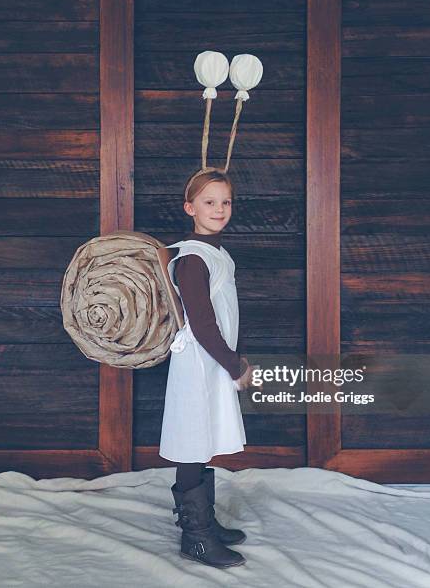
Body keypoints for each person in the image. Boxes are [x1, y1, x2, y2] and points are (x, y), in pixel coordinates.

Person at [159, 167, 256, 569]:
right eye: (209, 202)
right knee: (191, 441)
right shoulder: (192, 258)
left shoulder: (217, 252)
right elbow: (201, 324)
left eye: (225, 202)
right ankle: (194, 538)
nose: (219, 209)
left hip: (213, 361)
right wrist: (235, 365)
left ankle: (205, 522)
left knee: (202, 439)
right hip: (200, 363)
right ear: (190, 208)